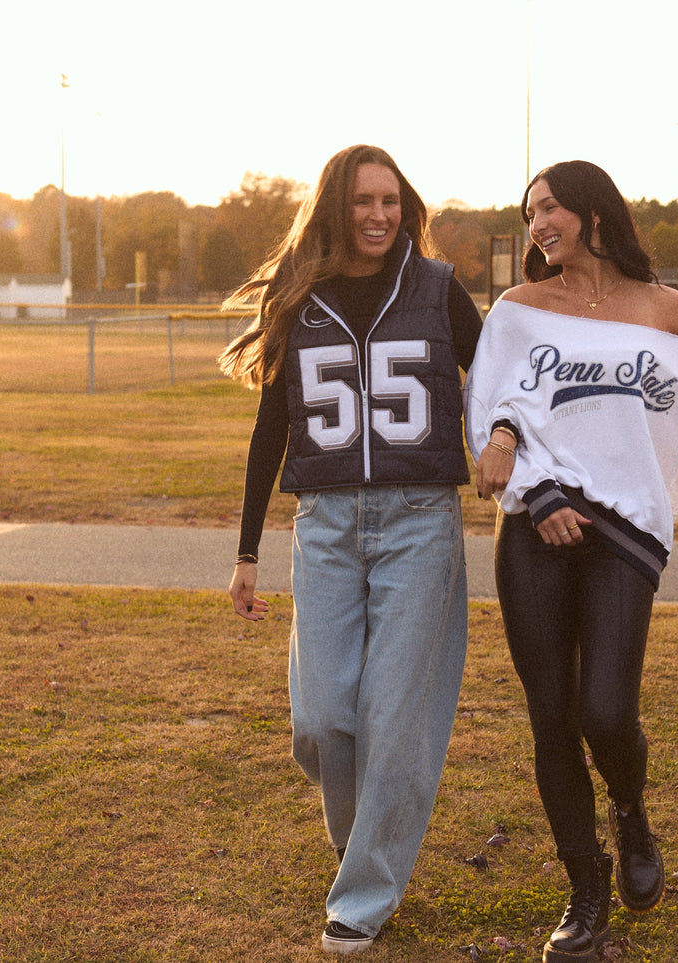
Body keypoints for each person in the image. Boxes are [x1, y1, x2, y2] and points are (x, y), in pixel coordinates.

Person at [463, 160, 678, 963]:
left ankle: (629, 809)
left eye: (550, 207)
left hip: (625, 533)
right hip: (534, 529)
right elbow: (491, 413)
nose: (537, 224)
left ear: (594, 211)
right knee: (551, 717)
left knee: (605, 711)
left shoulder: (661, 311)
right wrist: (534, 490)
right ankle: (584, 892)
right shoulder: (517, 311)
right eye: (529, 212)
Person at [219, 144, 482, 955]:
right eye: (363, 201)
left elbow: (502, 377)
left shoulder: (437, 291)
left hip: (418, 521)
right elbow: (272, 428)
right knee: (323, 721)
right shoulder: (297, 299)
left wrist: (514, 443)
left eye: (390, 201)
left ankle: (362, 894)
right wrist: (246, 550)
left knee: (394, 718)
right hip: (326, 525)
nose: (378, 215)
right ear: (336, 208)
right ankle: (359, 840)